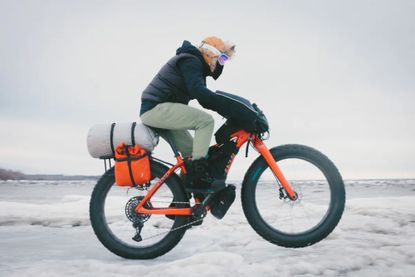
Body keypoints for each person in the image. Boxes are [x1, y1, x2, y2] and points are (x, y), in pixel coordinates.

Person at [140, 36, 236, 193]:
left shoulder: (195, 64)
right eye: (221, 58)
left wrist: (225, 108)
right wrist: (228, 107)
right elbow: (199, 92)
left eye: (224, 61)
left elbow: (203, 98)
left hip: (160, 111)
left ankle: (180, 202)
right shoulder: (191, 61)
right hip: (155, 108)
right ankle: (198, 176)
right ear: (211, 52)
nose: (220, 63)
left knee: (193, 154)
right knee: (205, 121)